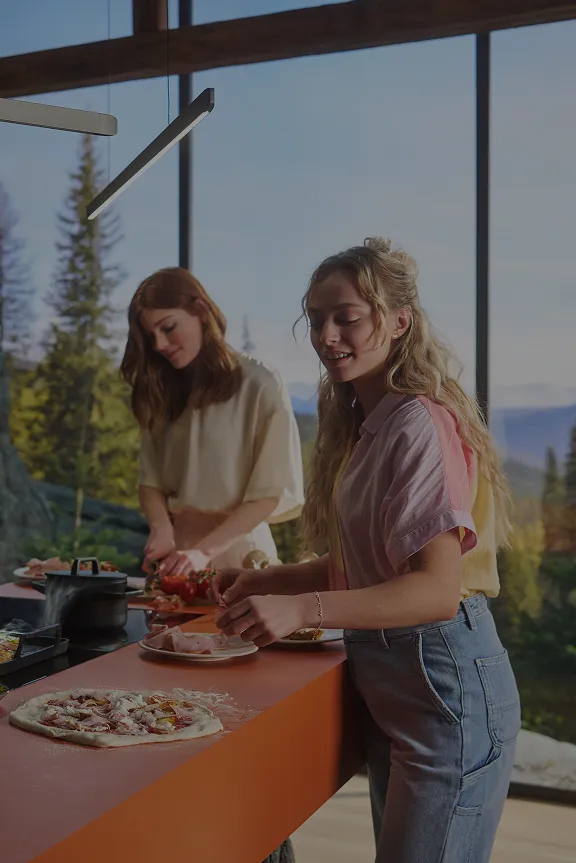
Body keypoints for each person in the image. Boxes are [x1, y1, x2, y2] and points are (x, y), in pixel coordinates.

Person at [212, 238, 521, 863]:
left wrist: (303, 611)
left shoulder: (418, 424)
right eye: (317, 318)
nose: (328, 335)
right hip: (404, 691)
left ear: (398, 320)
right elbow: (371, 568)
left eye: (346, 316)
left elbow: (433, 591)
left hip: (445, 689)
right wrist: (274, 583)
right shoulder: (374, 428)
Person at [120, 266, 304, 581]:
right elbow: (150, 482)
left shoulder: (259, 384)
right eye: (151, 337)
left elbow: (268, 494)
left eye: (168, 327)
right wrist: (162, 528)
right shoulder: (162, 391)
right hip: (177, 562)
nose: (160, 345)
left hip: (243, 558)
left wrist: (204, 553)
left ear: (201, 311)